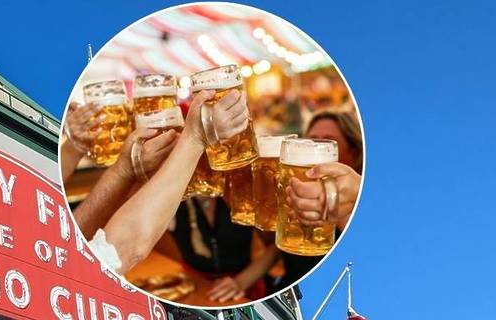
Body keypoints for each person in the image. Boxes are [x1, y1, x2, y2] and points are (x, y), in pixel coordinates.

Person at [81, 89, 251, 274]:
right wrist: (194, 138)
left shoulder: (236, 187)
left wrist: (126, 169)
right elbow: (121, 249)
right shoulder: (175, 203)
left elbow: (78, 236)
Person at [278, 109, 363, 287]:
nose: (315, 149)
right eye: (312, 139)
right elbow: (273, 248)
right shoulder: (293, 188)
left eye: (326, 142)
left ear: (353, 153)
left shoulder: (360, 203)